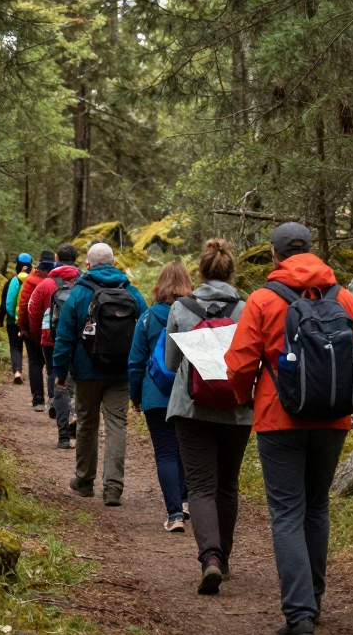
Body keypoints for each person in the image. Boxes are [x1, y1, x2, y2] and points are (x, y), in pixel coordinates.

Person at [225, 222, 353, 635]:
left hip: (279, 420)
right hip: (333, 420)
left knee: (287, 513)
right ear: (312, 250)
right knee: (316, 507)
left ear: (274, 255)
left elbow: (240, 363)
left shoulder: (262, 300)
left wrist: (244, 398)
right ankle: (313, 599)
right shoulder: (345, 299)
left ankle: (299, 617)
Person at [165, 240, 252, 594]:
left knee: (200, 486)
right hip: (237, 408)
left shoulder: (181, 308)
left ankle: (210, 558)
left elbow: (171, 362)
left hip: (191, 408)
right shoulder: (246, 308)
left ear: (199, 271)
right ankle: (224, 559)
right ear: (231, 272)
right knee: (227, 485)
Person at [53, 243, 147, 506]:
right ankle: (113, 487)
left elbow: (64, 336)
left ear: (88, 264)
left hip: (87, 370)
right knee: (117, 425)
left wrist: (60, 371)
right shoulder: (131, 292)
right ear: (114, 263)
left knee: (87, 423)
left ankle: (84, 481)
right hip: (121, 371)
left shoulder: (79, 292)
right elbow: (145, 330)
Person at [128, 261, 192, 532]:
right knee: (185, 450)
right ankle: (186, 501)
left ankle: (174, 514)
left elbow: (136, 362)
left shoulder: (148, 317)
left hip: (155, 393)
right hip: (189, 393)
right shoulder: (194, 315)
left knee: (166, 452)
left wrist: (136, 397)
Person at [27, 243, 81, 449]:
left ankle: (63, 436)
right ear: (76, 259)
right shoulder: (84, 282)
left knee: (57, 379)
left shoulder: (46, 284)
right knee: (76, 380)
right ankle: (75, 416)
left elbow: (33, 309)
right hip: (79, 340)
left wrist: (36, 334)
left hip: (51, 338)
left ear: (57, 258)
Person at [18, 250, 57, 411]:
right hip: (52, 330)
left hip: (33, 330)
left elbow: (23, 306)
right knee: (52, 364)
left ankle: (38, 399)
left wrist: (23, 327)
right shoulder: (56, 281)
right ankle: (54, 398)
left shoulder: (31, 280)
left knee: (35, 362)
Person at [0, 252, 33, 384]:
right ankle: (34, 373)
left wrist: (1, 320)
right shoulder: (33, 281)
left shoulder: (11, 282)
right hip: (30, 321)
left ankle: (17, 372)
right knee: (31, 348)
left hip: (13, 321)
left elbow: (5, 304)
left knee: (15, 347)